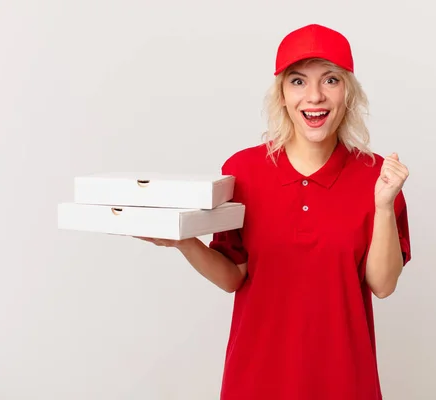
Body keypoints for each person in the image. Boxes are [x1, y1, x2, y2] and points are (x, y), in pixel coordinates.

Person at [138, 23, 412, 400]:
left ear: (348, 92)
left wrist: (383, 206)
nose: (314, 96)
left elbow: (383, 285)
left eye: (330, 80)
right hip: (256, 381)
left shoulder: (378, 178)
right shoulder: (243, 173)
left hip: (345, 382)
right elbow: (234, 275)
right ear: (281, 94)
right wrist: (185, 242)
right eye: (298, 82)